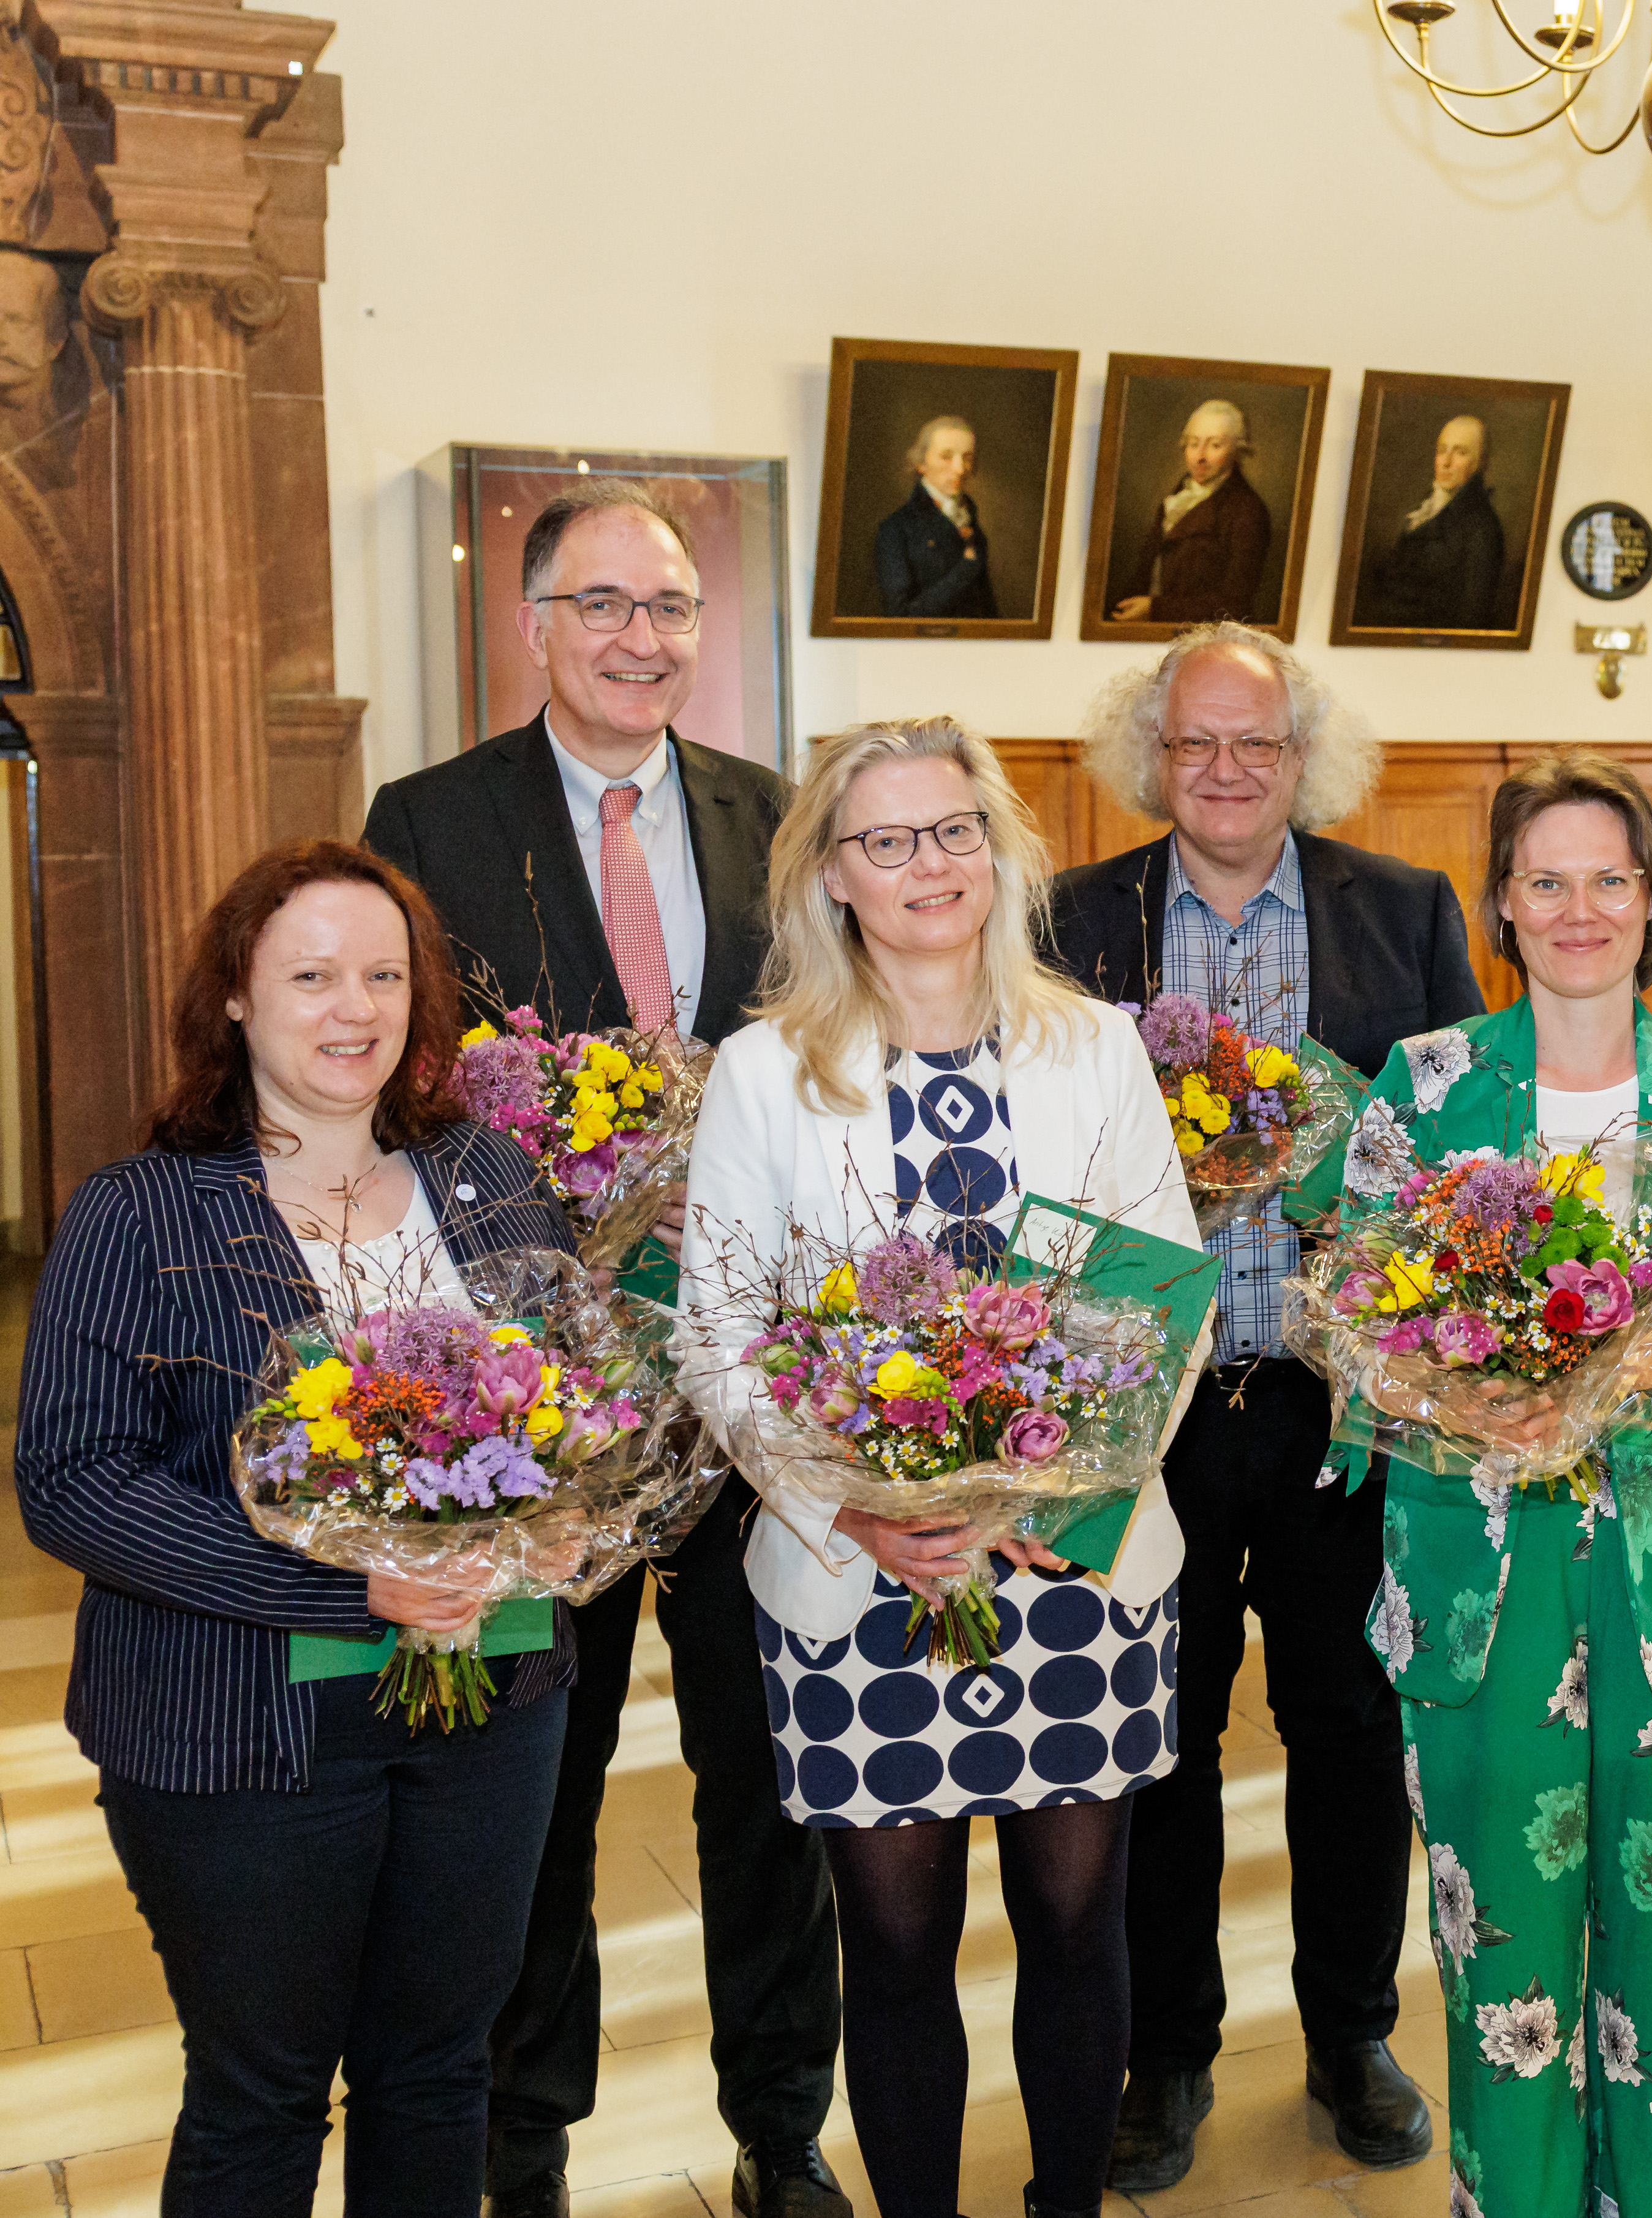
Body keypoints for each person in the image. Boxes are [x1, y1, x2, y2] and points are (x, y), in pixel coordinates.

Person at [360, 481, 838, 2218]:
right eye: (605, 606)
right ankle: (524, 2143)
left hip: (747, 1383)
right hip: (535, 1401)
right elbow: (398, 1075)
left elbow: (825, 1058)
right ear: (535, 625)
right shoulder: (432, 817)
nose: (644, 638)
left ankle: (780, 2127)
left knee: (764, 1775)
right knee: (534, 1788)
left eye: (671, 607)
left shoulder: (773, 816)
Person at [1287, 750, 1652, 2217]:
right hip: (1483, 1582)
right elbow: (1351, 1324)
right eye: (1546, 880)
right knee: (1505, 1971)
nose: (1579, 908)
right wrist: (1457, 1386)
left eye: (1608, 879)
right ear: (1503, 906)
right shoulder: (1427, 1085)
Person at [679, 717, 1204, 2218]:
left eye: (956, 829)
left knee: (1077, 1922)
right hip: (863, 1581)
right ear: (832, 874)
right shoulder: (764, 1073)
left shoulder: (1093, 1046)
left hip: (1074, 1557)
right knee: (898, 1945)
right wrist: (857, 1506)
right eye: (889, 839)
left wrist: (1052, 1485)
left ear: (1000, 849)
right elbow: (718, 1333)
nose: (931, 864)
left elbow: (1159, 1295)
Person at [15, 841, 579, 2214]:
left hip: (492, 1702)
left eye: (384, 975)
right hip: (239, 1726)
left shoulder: (489, 1176)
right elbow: (72, 1479)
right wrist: (350, 1589)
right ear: (234, 996)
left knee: (438, 2073)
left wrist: (569, 1520)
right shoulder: (140, 1212)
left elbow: (576, 1407)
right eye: (313, 976)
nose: (355, 1008)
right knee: (262, 2094)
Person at [1043, 622, 1481, 2190]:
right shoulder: (1072, 919)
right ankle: (1164, 2052)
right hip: (1142, 1402)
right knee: (1151, 1734)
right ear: (1150, 756)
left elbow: (1461, 1152)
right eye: (1195, 742)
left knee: (1349, 1727)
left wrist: (1351, 1189)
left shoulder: (1405, 911)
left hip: (1335, 1405)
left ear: (1305, 757)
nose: (1226, 770)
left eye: (1257, 742)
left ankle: (1352, 2031)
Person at [1109, 398, 1273, 625]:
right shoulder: (1177, 498)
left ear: (1237, 452)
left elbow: (1235, 605)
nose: (1200, 457)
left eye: (1215, 445)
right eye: (1194, 444)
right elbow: (1145, 573)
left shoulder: (1247, 511)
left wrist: (1155, 609)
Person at [1358, 411, 1506, 630]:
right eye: (1442, 451)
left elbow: (1471, 617)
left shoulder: (1482, 529)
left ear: (1480, 463)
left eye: (1460, 453)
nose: (1446, 462)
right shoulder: (1427, 507)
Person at [872, 414, 998, 621]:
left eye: (967, 458)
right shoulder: (895, 529)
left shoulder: (972, 524)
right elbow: (900, 618)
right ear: (921, 463)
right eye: (946, 457)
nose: (960, 469)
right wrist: (965, 570)